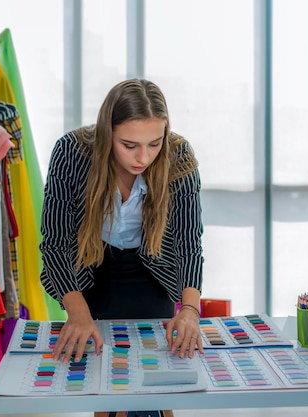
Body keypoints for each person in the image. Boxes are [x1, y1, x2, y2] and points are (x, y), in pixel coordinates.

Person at [39, 79, 204, 383]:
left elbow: (188, 243)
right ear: (107, 134)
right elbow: (55, 244)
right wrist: (77, 313)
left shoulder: (178, 156)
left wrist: (191, 310)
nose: (143, 158)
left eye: (154, 143)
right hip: (89, 270)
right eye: (129, 146)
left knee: (158, 375)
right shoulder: (70, 153)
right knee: (102, 376)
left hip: (152, 271)